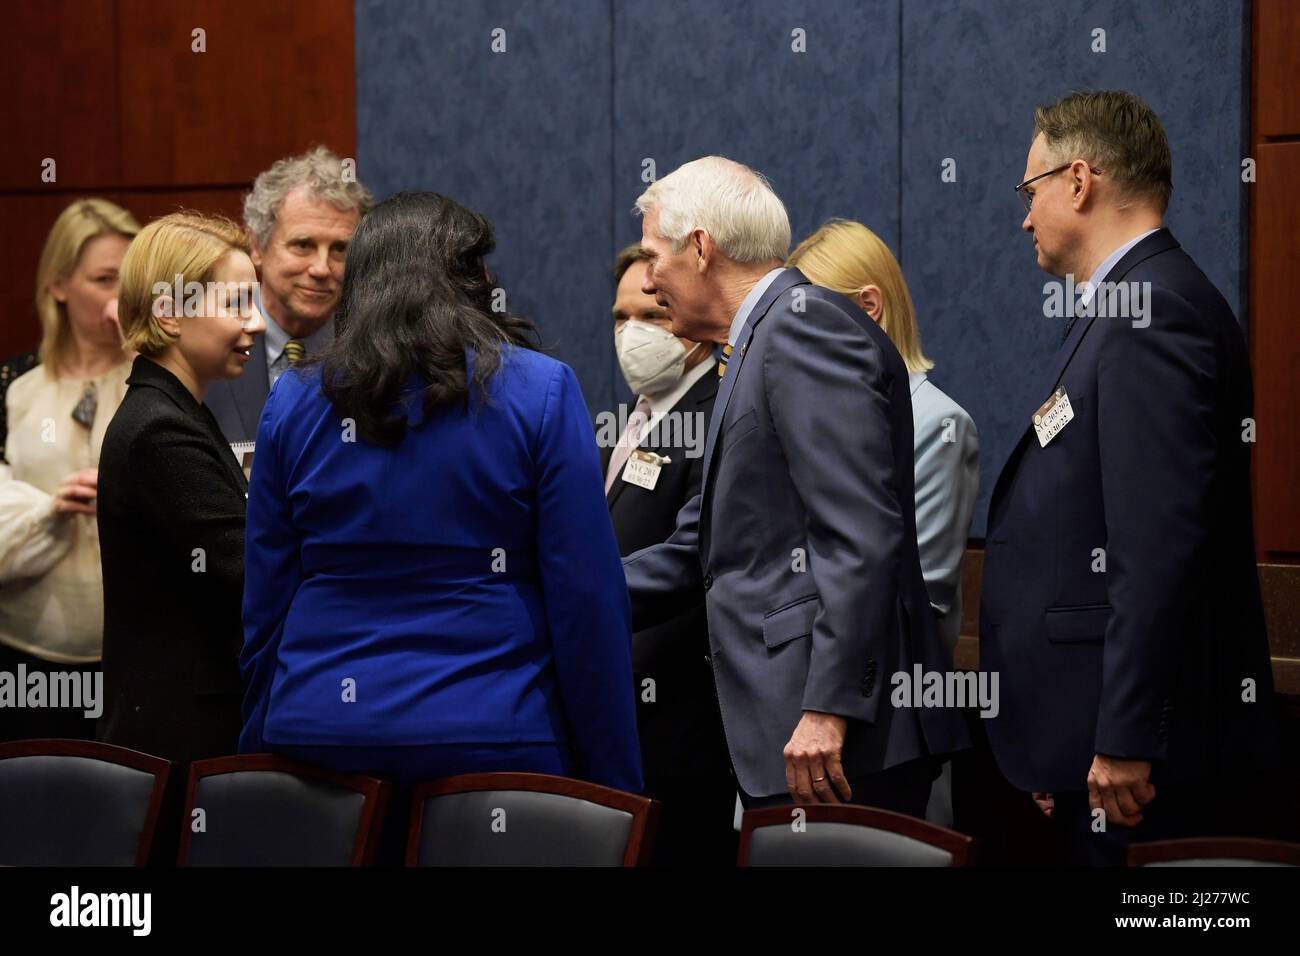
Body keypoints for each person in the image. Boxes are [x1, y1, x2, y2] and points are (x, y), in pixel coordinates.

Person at [239, 192, 641, 860]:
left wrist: (258, 747)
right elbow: (587, 602)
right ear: (468, 281)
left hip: (321, 737)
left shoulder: (293, 401)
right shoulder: (541, 391)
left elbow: (266, 605)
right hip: (494, 734)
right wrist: (615, 789)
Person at [983, 90, 1281, 865]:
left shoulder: (1151, 314)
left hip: (1139, 767)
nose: (1024, 218)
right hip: (1094, 749)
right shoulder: (1123, 309)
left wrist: (1122, 736)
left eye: (1030, 190)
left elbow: (1153, 550)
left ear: (1078, 182)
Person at [622, 157, 968, 816]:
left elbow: (860, 534)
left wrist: (828, 708)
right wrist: (570, 592)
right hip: (791, 731)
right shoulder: (755, 341)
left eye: (652, 256)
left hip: (839, 741)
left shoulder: (801, 325)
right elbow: (698, 545)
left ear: (701, 247)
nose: (646, 280)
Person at [97, 211, 264, 768]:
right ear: (170, 315)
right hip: (176, 737)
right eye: (237, 303)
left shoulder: (177, 409)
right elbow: (243, 566)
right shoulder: (159, 427)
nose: (257, 323)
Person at [787, 220, 979, 662]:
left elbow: (920, 598)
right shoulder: (816, 418)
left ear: (868, 306)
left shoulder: (938, 424)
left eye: (808, 320)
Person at [601, 243, 733, 865]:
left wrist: (579, 595)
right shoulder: (632, 416)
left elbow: (693, 556)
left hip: (682, 717)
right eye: (619, 318)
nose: (632, 335)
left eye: (651, 316)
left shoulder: (720, 413)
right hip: (619, 706)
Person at [0, 198, 139, 742]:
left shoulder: (163, 378)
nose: (119, 296)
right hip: (27, 652)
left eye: (130, 281)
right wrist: (50, 509)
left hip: (132, 652)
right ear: (59, 285)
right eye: (105, 279)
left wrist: (142, 348)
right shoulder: (14, 384)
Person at [205, 146, 372, 443]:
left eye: (340, 249)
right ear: (256, 246)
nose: (322, 268)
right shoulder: (204, 343)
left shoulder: (376, 351)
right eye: (303, 245)